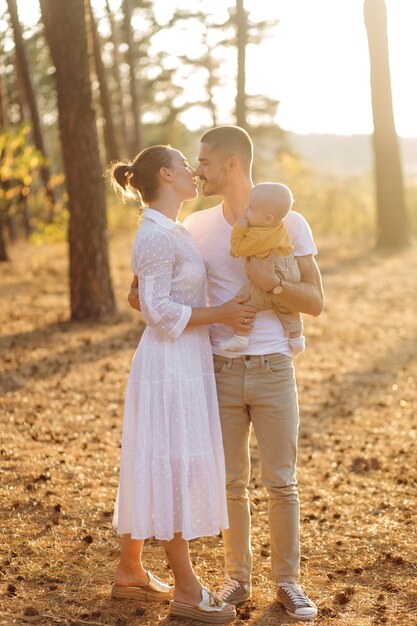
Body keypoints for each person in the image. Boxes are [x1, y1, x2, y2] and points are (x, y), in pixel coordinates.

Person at [129, 126, 324, 622]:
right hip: (217, 368)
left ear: (232, 164)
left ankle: (289, 583)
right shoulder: (194, 225)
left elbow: (316, 302)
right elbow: (142, 291)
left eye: (205, 162)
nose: (198, 170)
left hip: (274, 364)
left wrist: (271, 287)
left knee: (282, 482)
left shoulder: (289, 220)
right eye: (191, 163)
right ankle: (238, 580)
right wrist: (158, 310)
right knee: (230, 482)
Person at [110, 144, 258, 623]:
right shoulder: (155, 234)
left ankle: (130, 570)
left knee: (159, 458)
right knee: (170, 463)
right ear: (166, 176)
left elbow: (147, 297)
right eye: (184, 163)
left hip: (185, 362)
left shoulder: (174, 230)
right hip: (168, 367)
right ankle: (188, 590)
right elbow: (157, 311)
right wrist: (222, 314)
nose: (193, 170)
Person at [219, 182, 305, 358]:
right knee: (285, 307)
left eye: (250, 208)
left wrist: (240, 228)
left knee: (243, 303)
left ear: (268, 219)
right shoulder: (278, 227)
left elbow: (237, 249)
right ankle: (296, 339)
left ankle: (241, 337)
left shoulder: (260, 235)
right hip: (289, 270)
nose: (245, 210)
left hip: (274, 272)